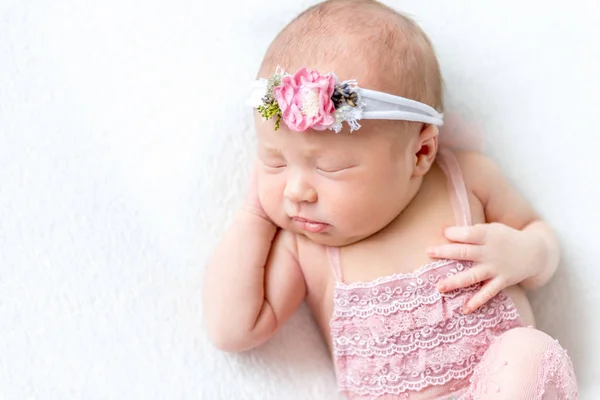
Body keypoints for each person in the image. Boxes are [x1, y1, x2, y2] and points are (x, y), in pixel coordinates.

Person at [203, 0, 578, 398]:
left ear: (420, 153)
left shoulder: (464, 178)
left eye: (330, 168)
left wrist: (527, 253)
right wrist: (254, 215)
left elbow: (542, 239)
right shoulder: (306, 247)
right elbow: (233, 329)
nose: (296, 191)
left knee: (528, 353)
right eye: (275, 162)